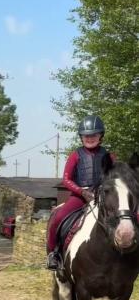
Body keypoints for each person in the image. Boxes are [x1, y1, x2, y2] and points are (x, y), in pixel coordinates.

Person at [47, 114, 115, 271]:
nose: (90, 138)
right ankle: (54, 254)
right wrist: (82, 192)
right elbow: (66, 179)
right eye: (86, 136)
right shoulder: (75, 155)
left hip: (102, 195)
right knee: (58, 218)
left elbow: (113, 178)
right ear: (81, 137)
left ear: (101, 136)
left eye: (94, 135)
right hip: (80, 196)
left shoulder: (109, 156)